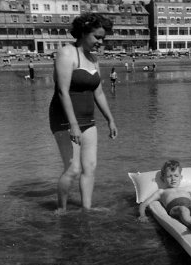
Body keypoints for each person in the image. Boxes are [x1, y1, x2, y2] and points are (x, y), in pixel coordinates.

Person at [49, 13, 118, 214]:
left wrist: (110, 119)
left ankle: (86, 209)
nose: (101, 42)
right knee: (73, 169)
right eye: (97, 37)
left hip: (88, 119)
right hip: (64, 119)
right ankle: (60, 209)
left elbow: (98, 92)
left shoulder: (94, 59)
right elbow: (62, 91)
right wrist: (73, 124)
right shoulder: (66, 53)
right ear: (83, 33)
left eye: (103, 38)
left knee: (90, 167)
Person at [138, 160, 191, 237]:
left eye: (176, 176)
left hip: (190, 204)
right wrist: (142, 215)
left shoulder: (187, 188)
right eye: (169, 176)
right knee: (183, 209)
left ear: (181, 177)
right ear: (163, 179)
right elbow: (144, 204)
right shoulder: (161, 192)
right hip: (175, 208)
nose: (173, 179)